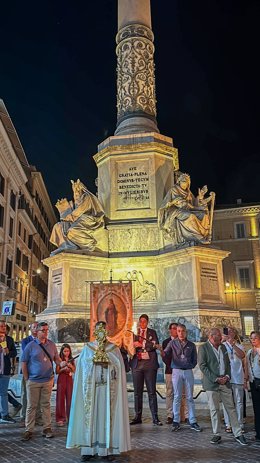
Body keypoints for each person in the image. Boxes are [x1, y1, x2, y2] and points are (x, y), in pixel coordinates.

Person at [66, 321, 131, 461]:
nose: (101, 332)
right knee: (90, 419)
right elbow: (82, 367)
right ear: (94, 331)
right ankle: (88, 450)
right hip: (91, 390)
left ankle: (105, 450)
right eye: (98, 330)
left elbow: (119, 368)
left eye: (103, 330)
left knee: (106, 419)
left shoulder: (114, 349)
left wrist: (109, 362)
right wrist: (93, 361)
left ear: (106, 331)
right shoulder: (88, 348)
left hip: (108, 390)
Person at [198, 328, 248, 445]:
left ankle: (238, 433)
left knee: (231, 407)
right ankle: (216, 434)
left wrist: (227, 376)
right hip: (212, 383)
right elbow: (202, 366)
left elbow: (228, 364)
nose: (221, 338)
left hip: (225, 382)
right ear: (211, 336)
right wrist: (215, 378)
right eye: (219, 336)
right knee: (214, 409)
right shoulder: (203, 348)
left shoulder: (223, 347)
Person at [21, 322, 66, 441]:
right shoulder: (30, 346)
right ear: (37, 332)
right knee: (32, 406)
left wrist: (60, 363)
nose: (45, 332)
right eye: (43, 330)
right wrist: (27, 379)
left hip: (48, 380)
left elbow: (56, 358)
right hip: (33, 380)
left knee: (46, 405)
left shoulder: (51, 345)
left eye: (47, 330)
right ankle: (29, 429)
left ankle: (47, 428)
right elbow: (24, 362)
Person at [160, 324, 201, 432]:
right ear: (176, 332)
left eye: (183, 331)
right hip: (176, 371)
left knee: (190, 397)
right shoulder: (172, 343)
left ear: (185, 332)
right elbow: (165, 353)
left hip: (187, 371)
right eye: (179, 331)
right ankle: (176, 421)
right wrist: (161, 350)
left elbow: (195, 359)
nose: (181, 333)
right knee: (177, 396)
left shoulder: (191, 345)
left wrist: (189, 365)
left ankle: (192, 420)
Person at [158, 172, 214, 246]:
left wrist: (200, 197)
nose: (185, 183)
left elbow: (194, 203)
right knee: (191, 216)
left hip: (188, 209)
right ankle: (198, 237)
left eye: (186, 182)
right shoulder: (173, 190)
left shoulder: (188, 192)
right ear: (179, 181)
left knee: (204, 215)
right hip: (177, 211)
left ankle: (203, 236)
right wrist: (172, 203)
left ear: (188, 184)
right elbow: (165, 204)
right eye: (183, 181)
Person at [50, 179, 105, 254]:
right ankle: (66, 246)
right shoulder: (78, 200)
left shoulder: (86, 197)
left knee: (73, 230)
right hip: (80, 219)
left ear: (81, 189)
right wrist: (64, 211)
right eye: (74, 191)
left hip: (90, 219)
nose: (76, 193)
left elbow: (78, 212)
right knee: (58, 226)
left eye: (77, 190)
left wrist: (65, 213)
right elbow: (74, 214)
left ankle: (89, 245)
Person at [130, 314, 162, 426]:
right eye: (140, 321)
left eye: (144, 321)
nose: (142, 323)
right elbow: (129, 346)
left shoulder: (152, 332)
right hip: (137, 365)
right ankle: (137, 416)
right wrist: (133, 345)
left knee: (151, 392)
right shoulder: (134, 333)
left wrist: (142, 345)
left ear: (147, 322)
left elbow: (155, 345)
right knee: (137, 392)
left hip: (149, 365)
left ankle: (155, 417)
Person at [222, 327, 245, 433]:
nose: (229, 333)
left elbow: (242, 355)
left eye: (231, 331)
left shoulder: (239, 345)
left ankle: (240, 424)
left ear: (235, 333)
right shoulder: (223, 346)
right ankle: (228, 424)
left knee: (239, 402)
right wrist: (224, 341)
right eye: (228, 332)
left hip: (238, 376)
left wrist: (233, 345)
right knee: (227, 402)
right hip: (227, 377)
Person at [20, 322, 42, 424]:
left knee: (38, 395)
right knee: (26, 394)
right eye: (34, 327)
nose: (35, 329)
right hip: (27, 371)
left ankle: (37, 416)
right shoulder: (26, 341)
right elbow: (27, 353)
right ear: (31, 329)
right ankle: (24, 415)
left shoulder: (42, 341)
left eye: (37, 327)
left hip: (38, 373)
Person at [0, 320, 17, 423]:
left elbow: (14, 353)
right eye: (1, 326)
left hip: (5, 370)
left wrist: (8, 352)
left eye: (4, 326)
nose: (3, 328)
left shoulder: (9, 340)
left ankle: (5, 414)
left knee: (3, 393)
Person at [56, 343, 75, 426]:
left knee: (70, 398)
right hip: (62, 379)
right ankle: (60, 418)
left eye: (68, 351)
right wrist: (63, 368)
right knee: (60, 398)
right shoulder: (59, 359)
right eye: (65, 351)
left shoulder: (71, 359)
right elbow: (57, 371)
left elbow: (74, 370)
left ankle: (70, 417)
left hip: (69, 379)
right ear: (62, 351)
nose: (66, 353)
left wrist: (70, 366)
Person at [162, 323, 178, 424]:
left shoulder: (181, 341)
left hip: (181, 370)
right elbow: (165, 356)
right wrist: (172, 364)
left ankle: (183, 415)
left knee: (182, 393)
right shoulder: (166, 342)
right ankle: (170, 414)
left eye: (175, 329)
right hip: (170, 370)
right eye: (172, 329)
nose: (173, 330)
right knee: (170, 392)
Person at [246, 331, 260, 442]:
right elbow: (246, 366)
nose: (253, 340)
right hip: (253, 381)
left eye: (255, 338)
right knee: (256, 408)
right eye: (251, 338)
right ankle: (258, 432)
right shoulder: (250, 352)